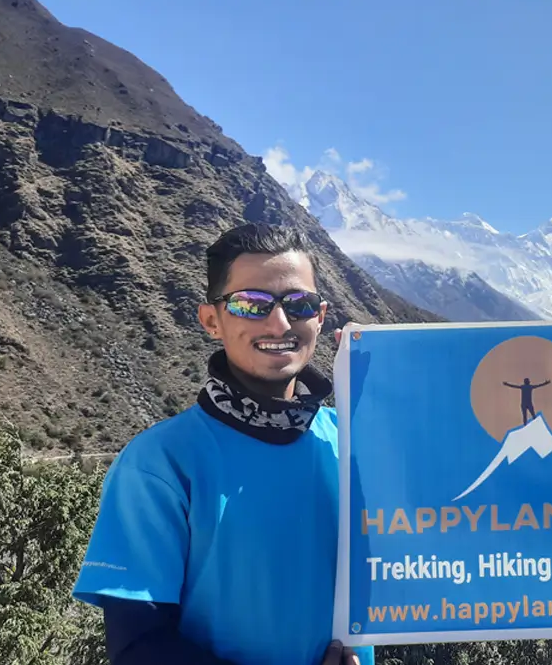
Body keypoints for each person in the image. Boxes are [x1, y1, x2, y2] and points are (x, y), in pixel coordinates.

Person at [71, 222, 374, 665]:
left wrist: (388, 386)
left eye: (299, 304)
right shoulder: (160, 463)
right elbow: (138, 646)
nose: (280, 323)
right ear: (211, 320)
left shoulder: (357, 441)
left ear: (321, 316)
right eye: (251, 304)